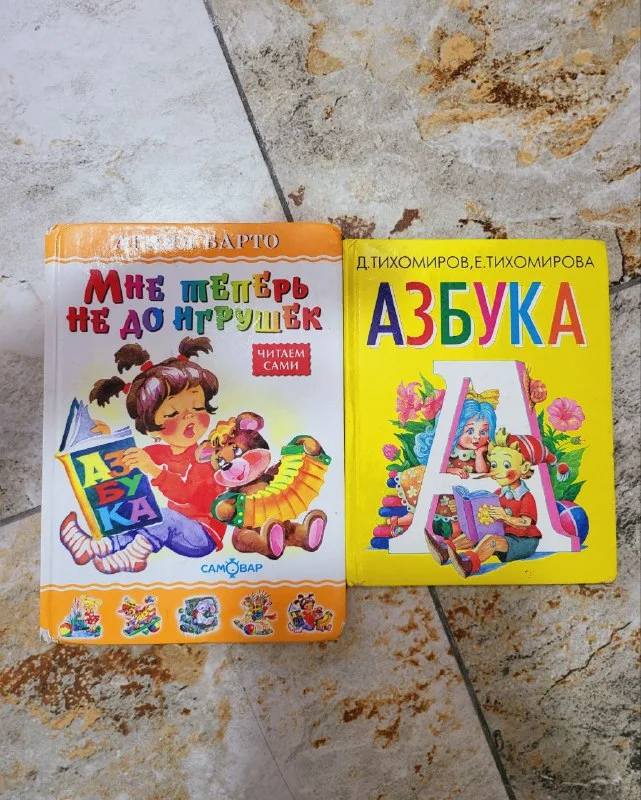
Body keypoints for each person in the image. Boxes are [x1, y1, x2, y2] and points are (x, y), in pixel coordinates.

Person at [59, 337, 226, 573]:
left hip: (203, 535)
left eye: (198, 408)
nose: (189, 416)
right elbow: (129, 459)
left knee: (163, 516)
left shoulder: (206, 457)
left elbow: (187, 493)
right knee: (139, 513)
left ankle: (133, 557)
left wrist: (154, 471)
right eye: (172, 413)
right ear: (152, 430)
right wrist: (104, 439)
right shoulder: (160, 452)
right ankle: (98, 546)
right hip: (173, 528)